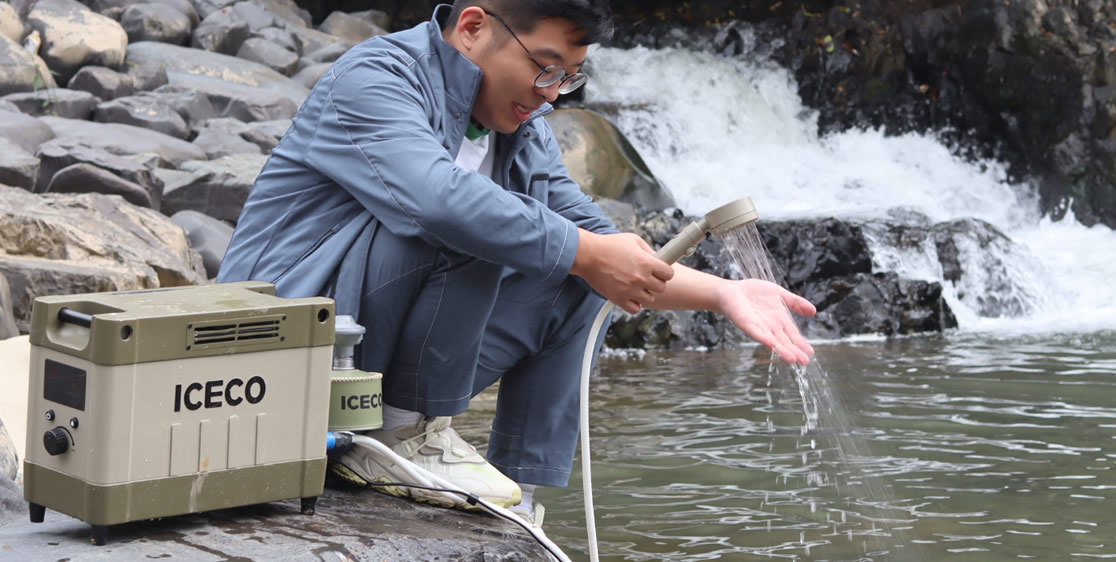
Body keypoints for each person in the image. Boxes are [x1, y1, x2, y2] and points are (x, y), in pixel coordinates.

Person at [217, 0, 816, 524]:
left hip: (368, 358)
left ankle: (515, 496)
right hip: (280, 355)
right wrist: (586, 253)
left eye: (570, 77)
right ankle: (401, 436)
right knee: (490, 225)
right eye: (544, 68)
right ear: (473, 28)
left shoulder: (521, 131)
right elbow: (437, 201)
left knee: (582, 280)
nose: (553, 93)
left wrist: (723, 293)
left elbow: (602, 247)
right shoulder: (376, 76)